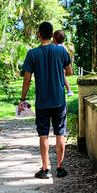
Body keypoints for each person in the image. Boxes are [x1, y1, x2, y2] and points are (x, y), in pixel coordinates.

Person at [20, 22, 72, 179]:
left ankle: (45, 169)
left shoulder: (32, 54)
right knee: (60, 133)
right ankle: (60, 167)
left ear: (39, 34)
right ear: (52, 35)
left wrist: (23, 98)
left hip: (42, 101)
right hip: (59, 100)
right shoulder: (62, 51)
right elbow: (69, 72)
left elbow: (27, 79)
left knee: (43, 135)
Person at [53, 30, 73, 96]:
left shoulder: (57, 48)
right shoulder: (64, 47)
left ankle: (69, 89)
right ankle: (68, 89)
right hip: (62, 66)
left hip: (60, 67)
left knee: (62, 77)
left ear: (54, 39)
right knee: (63, 77)